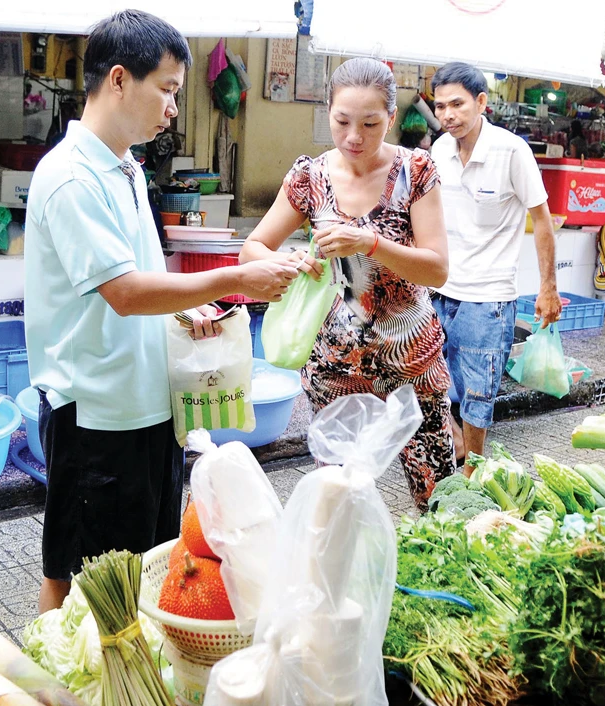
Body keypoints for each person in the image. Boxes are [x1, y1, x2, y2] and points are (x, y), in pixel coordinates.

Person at [25, 10, 298, 613]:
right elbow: (123, 293)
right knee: (79, 576)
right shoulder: (72, 177)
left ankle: (121, 687)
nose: (174, 107)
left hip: (148, 408)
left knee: (146, 569)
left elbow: (140, 285)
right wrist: (233, 278)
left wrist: (182, 317)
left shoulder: (124, 167)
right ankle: (55, 693)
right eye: (168, 90)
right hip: (98, 415)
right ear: (119, 80)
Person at [239, 57, 454, 509]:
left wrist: (370, 242)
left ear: (391, 119)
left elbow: (436, 268)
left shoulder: (416, 172)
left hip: (411, 359)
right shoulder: (309, 177)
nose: (354, 137)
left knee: (438, 493)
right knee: (337, 498)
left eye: (371, 124)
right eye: (342, 121)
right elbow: (252, 249)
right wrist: (289, 260)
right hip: (335, 365)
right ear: (329, 112)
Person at [429, 62, 561, 476]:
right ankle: (458, 445)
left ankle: (475, 473)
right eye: (440, 107)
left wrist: (548, 287)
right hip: (441, 287)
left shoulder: (511, 151)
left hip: (488, 296)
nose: (448, 115)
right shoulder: (438, 150)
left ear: (481, 102)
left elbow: (542, 220)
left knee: (478, 390)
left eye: (457, 104)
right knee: (430, 380)